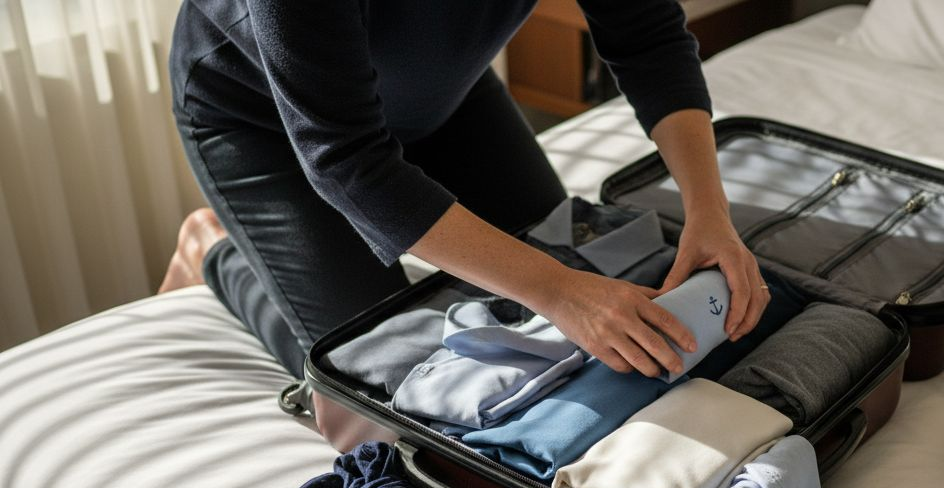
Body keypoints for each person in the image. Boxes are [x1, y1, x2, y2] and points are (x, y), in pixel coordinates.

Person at [159, 0, 770, 382]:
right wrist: (561, 293)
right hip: (262, 120)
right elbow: (346, 158)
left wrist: (709, 212)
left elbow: (649, 39)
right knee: (384, 382)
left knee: (571, 265)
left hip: (441, 97)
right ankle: (215, 250)